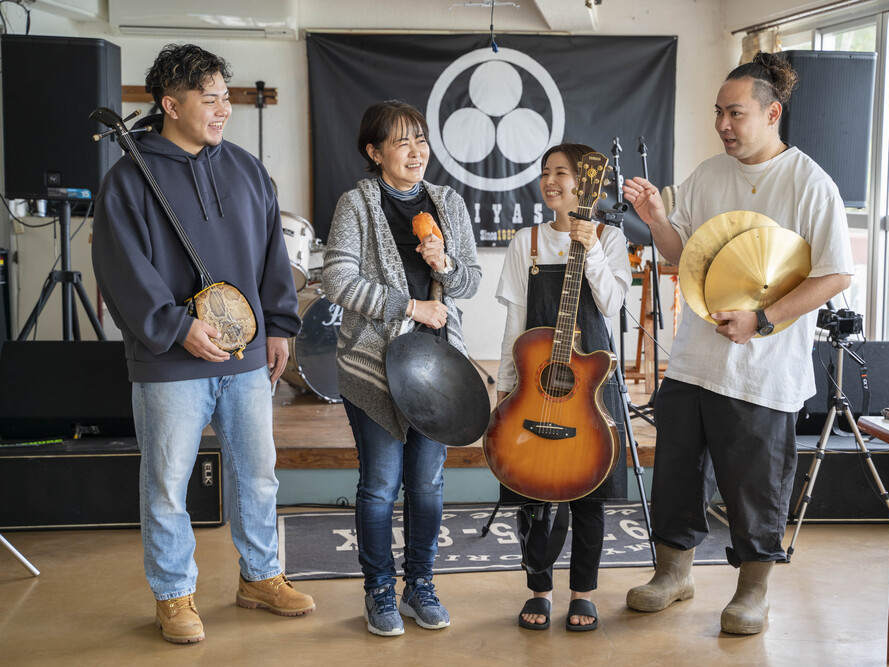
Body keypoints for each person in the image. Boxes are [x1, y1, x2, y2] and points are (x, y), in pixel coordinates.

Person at [621, 51, 853, 634]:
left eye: (735, 113)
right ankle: (672, 575)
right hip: (693, 361)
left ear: (772, 113)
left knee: (756, 487)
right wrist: (656, 218)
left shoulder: (810, 183)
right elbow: (683, 258)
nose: (723, 124)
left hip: (762, 370)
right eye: (718, 113)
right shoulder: (708, 174)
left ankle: (754, 592)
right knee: (676, 476)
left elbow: (835, 275)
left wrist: (763, 320)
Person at [91, 45, 314, 644]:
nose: (222, 110)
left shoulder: (246, 169)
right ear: (170, 105)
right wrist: (176, 326)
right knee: (168, 483)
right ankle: (173, 594)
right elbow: (120, 268)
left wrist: (279, 326)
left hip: (245, 357)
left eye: (225, 98)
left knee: (258, 473)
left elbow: (272, 255)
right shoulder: (128, 178)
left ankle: (260, 577)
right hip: (169, 360)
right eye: (209, 99)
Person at [322, 100, 481, 637]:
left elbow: (470, 283)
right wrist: (411, 306)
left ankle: (420, 586)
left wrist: (445, 264)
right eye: (401, 142)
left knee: (428, 484)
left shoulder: (448, 203)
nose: (416, 152)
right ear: (375, 152)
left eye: (421, 140)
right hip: (374, 363)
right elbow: (337, 281)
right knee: (379, 484)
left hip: (437, 366)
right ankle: (379, 591)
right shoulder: (355, 204)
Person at [494, 143, 631, 632]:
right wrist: (505, 389)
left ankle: (583, 593)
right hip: (536, 386)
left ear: (586, 185)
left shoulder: (612, 238)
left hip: (589, 386)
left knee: (589, 493)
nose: (550, 181)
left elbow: (611, 304)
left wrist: (589, 247)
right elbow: (514, 323)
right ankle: (539, 589)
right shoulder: (526, 242)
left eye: (562, 173)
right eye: (545, 173)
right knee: (532, 491)